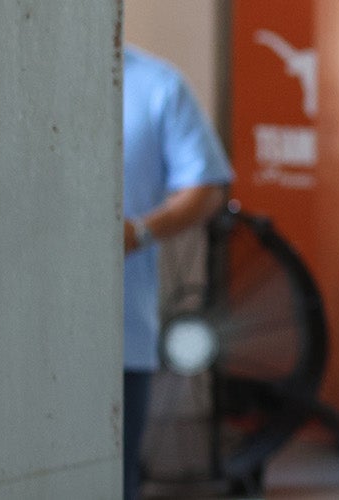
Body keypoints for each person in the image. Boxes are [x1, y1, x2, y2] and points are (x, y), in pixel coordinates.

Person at [120, 46, 233, 499]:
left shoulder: (157, 84)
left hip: (122, 331)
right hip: (12, 331)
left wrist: (140, 232)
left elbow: (205, 185)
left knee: (112, 476)